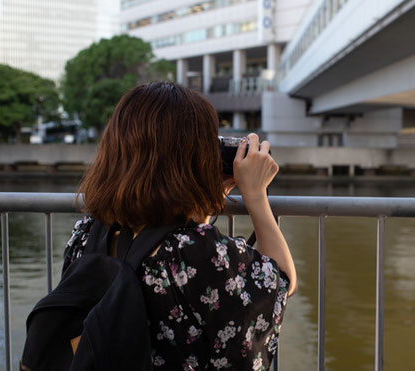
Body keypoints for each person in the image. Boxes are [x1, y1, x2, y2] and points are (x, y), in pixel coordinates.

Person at [62, 81, 297, 370]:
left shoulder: (85, 233)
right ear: (194, 157)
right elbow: (279, 282)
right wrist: (256, 196)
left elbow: (151, 241)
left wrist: (204, 202)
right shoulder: (196, 252)